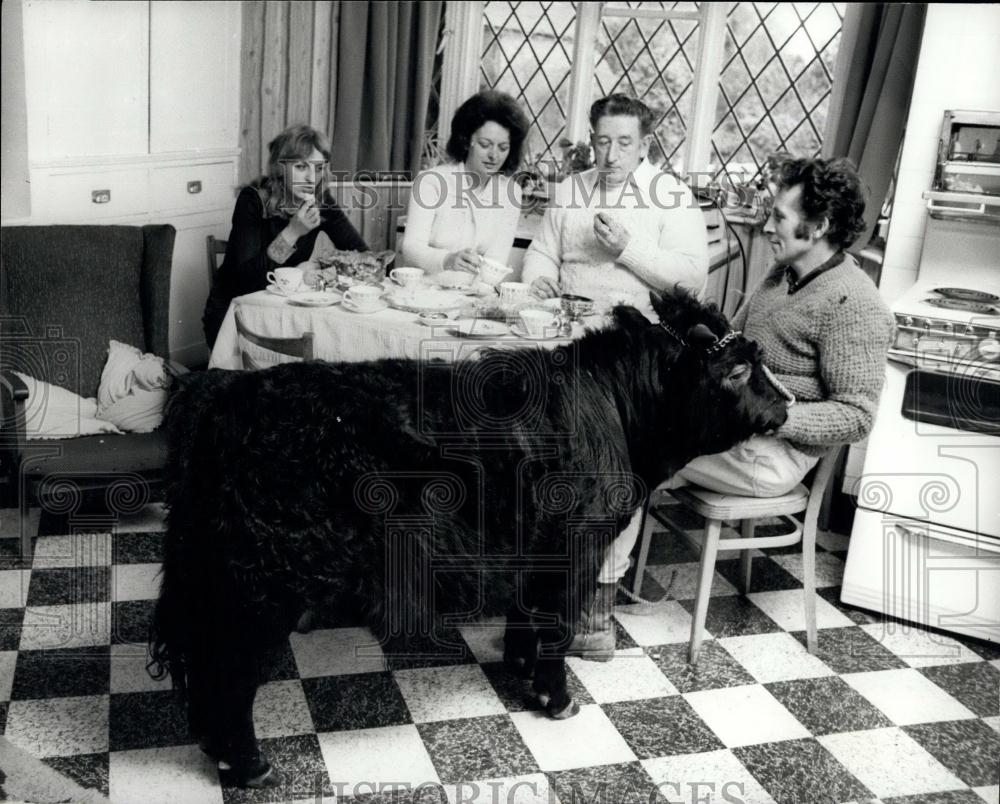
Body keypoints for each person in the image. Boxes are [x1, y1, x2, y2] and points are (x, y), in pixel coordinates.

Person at [570, 155, 896, 661]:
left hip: (775, 455)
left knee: (632, 455)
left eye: (779, 218)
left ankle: (592, 616)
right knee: (617, 434)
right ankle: (572, 585)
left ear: (822, 225)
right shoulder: (781, 274)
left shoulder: (856, 305)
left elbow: (857, 414)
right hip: (734, 432)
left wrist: (775, 415)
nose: (766, 226)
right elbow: (730, 345)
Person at [521, 94, 709, 318]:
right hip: (566, 324)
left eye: (624, 143)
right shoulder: (570, 189)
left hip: (639, 337)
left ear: (644, 146)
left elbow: (693, 280)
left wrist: (627, 249)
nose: (611, 156)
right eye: (603, 142)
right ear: (592, 141)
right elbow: (542, 252)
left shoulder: (674, 195)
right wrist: (540, 279)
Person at [202, 124, 368, 347]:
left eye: (318, 169)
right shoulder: (253, 199)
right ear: (281, 168)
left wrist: (324, 268)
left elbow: (361, 253)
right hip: (234, 313)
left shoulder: (319, 200)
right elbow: (248, 281)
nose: (311, 178)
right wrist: (293, 231)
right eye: (301, 167)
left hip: (286, 311)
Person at [400, 90, 529, 275]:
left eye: (503, 147)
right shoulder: (430, 182)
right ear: (467, 140)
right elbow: (411, 248)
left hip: (474, 296)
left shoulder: (511, 193)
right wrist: (447, 260)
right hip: (423, 290)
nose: (494, 155)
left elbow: (495, 263)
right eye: (485, 144)